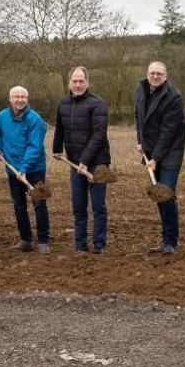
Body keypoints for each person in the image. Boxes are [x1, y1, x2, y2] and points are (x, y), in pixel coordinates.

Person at [52, 66, 111, 254]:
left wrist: (85, 160)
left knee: (98, 206)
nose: (77, 85)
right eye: (74, 81)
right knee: (78, 205)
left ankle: (99, 244)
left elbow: (99, 135)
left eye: (81, 81)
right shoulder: (63, 103)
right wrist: (56, 148)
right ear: (69, 83)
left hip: (98, 163)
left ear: (87, 82)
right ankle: (80, 243)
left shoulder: (98, 104)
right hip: (74, 162)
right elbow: (59, 128)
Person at [135, 61, 185, 255]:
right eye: (152, 73)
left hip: (171, 151)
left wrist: (155, 158)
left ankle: (170, 241)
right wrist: (140, 141)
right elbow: (137, 117)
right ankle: (165, 239)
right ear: (147, 74)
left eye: (159, 73)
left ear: (166, 76)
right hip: (150, 151)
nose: (155, 76)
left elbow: (168, 131)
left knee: (166, 193)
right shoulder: (141, 90)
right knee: (159, 195)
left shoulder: (174, 96)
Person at [0, 86, 51, 254]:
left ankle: (43, 240)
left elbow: (34, 146)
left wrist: (24, 168)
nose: (20, 100)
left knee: (39, 204)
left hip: (34, 169)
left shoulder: (35, 119)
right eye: (16, 97)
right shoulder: (2, 116)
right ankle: (26, 239)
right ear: (10, 99)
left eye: (23, 97)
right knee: (19, 205)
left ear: (27, 99)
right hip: (13, 169)